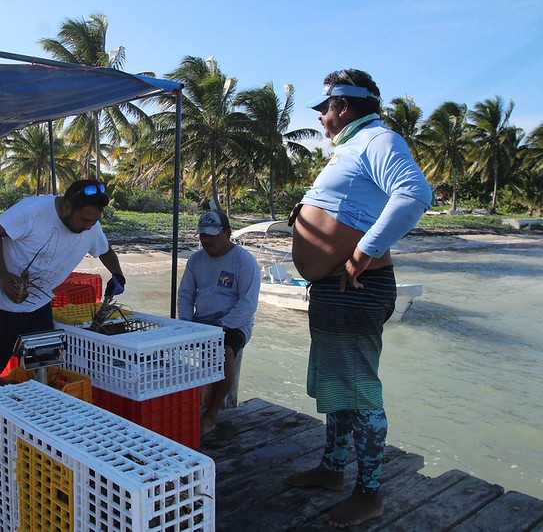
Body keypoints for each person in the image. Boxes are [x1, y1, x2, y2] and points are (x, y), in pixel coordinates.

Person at [284, 69, 433, 528]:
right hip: (333, 288)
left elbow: (414, 194)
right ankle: (332, 470)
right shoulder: (354, 146)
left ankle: (370, 495)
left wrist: (364, 251)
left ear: (343, 107)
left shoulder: (377, 139)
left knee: (361, 393)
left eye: (324, 108)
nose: (322, 118)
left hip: (357, 288)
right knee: (339, 388)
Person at [0, 179, 126, 385]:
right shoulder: (33, 210)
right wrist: (3, 276)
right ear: (67, 208)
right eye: (84, 220)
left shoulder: (91, 226)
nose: (89, 226)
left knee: (43, 362)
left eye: (93, 221)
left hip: (39, 304)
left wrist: (118, 275)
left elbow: (105, 250)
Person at [177, 209, 260, 436]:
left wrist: (221, 327)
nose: (206, 240)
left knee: (223, 352)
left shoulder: (245, 261)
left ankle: (211, 415)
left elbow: (248, 303)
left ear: (227, 233)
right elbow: (185, 295)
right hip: (200, 321)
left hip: (235, 323)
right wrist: (186, 324)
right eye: (203, 234)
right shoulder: (195, 260)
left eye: (212, 234)